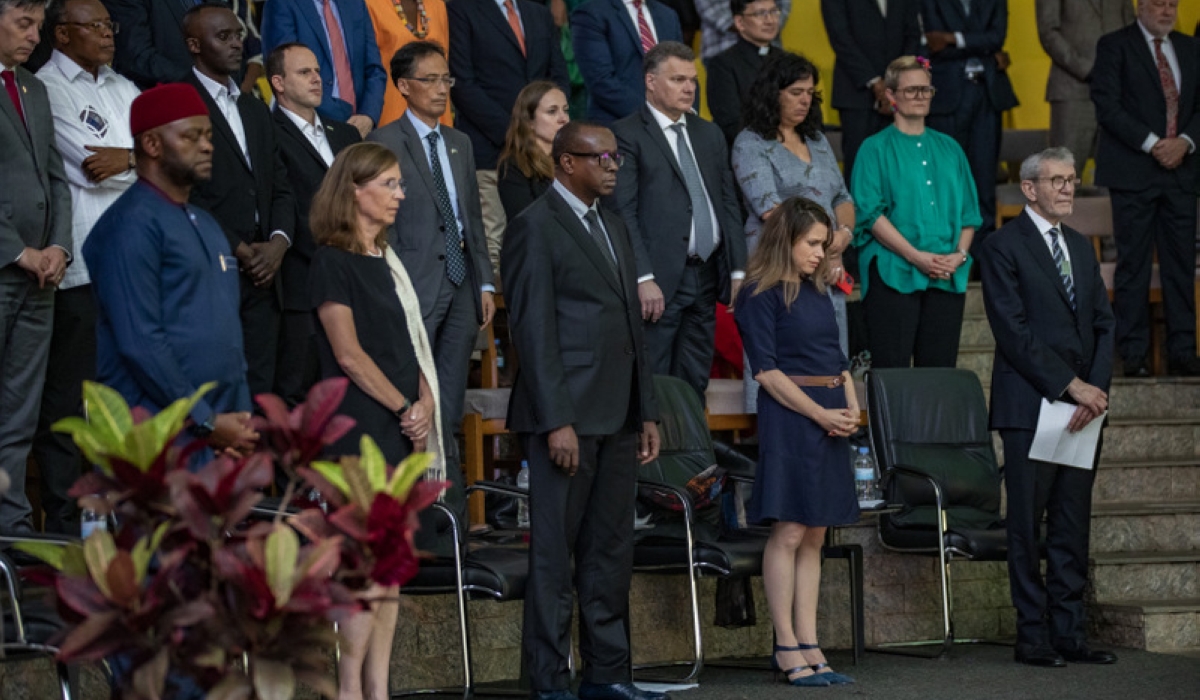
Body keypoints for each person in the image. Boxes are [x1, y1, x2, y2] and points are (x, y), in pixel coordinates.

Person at [502, 120, 663, 700]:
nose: (613, 166)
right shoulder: (533, 228)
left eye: (616, 157)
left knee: (610, 551)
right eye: (601, 158)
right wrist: (555, 420)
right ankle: (549, 682)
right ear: (566, 162)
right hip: (564, 420)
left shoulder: (615, 226)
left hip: (618, 414)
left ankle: (608, 675)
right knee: (554, 556)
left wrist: (646, 410)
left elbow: (630, 331)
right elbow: (534, 333)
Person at [308, 141, 442, 699]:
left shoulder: (386, 261)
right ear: (354, 191)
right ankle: (347, 691)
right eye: (388, 184)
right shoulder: (331, 262)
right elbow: (349, 354)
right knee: (361, 571)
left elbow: (407, 345)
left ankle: (378, 689)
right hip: (361, 425)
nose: (399, 194)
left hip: (399, 423)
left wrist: (427, 402)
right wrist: (404, 407)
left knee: (388, 570)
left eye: (399, 184)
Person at [978, 147, 1117, 668]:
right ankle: (1031, 636)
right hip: (1031, 404)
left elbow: (1104, 324)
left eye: (1072, 181)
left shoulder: (1081, 246)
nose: (1066, 189)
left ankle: (1069, 634)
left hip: (1084, 408)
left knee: (1070, 523)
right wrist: (1070, 386)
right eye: (1055, 181)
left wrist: (1094, 390)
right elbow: (1013, 333)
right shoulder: (1001, 246)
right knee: (1026, 526)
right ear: (1029, 188)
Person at [84, 82, 258, 462]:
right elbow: (140, 342)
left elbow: (227, 331)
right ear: (152, 145)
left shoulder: (206, 223)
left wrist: (237, 421)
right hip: (158, 434)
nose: (208, 146)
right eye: (192, 136)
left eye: (209, 135)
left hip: (217, 432)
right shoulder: (129, 225)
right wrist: (206, 421)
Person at [733, 196, 859, 687]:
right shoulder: (758, 292)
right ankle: (786, 644)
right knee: (788, 529)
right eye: (811, 243)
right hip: (791, 417)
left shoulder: (816, 290)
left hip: (829, 415)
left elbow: (838, 357)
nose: (819, 253)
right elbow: (765, 371)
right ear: (785, 238)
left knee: (816, 532)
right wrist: (821, 414)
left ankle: (810, 642)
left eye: (824, 245)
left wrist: (850, 409)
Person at [367, 40, 496, 512]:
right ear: (404, 86)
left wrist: (485, 282)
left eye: (447, 80)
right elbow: (383, 224)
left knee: (450, 397)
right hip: (413, 284)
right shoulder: (384, 142)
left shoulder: (459, 142)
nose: (442, 89)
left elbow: (472, 220)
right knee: (414, 398)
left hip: (463, 286)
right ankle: (415, 509)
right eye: (431, 80)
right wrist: (396, 280)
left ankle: (450, 512)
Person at [33, 0, 139, 534]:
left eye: (108, 24)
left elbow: (167, 161)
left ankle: (117, 513)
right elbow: (88, 163)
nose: (107, 34)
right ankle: (64, 518)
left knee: (123, 399)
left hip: (135, 270)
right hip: (81, 268)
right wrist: (141, 158)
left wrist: (134, 159)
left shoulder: (126, 88)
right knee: (71, 399)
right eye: (94, 26)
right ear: (62, 34)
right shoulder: (47, 88)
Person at [610, 41, 745, 403]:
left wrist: (737, 271)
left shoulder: (709, 133)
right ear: (651, 82)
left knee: (694, 381)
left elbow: (728, 204)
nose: (689, 88)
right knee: (654, 382)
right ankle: (655, 458)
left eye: (693, 80)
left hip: (707, 274)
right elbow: (623, 211)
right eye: (678, 79)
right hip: (659, 280)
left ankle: (692, 460)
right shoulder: (626, 134)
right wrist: (643, 276)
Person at [183, 2, 296, 400]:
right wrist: (238, 247)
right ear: (195, 45)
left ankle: (257, 466)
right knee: (214, 391)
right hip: (213, 266)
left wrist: (279, 243)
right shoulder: (180, 102)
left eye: (238, 35)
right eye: (224, 37)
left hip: (266, 271)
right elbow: (183, 191)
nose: (237, 45)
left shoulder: (253, 107)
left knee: (261, 390)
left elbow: (279, 184)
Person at [731, 52, 854, 408]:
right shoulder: (751, 142)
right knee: (779, 352)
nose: (805, 100)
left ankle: (833, 417)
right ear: (773, 92)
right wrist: (829, 244)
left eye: (810, 94)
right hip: (779, 266)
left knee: (829, 350)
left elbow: (842, 197)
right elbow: (772, 209)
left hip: (826, 261)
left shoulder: (816, 140)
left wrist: (842, 236)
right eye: (796, 91)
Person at [851, 55, 981, 369]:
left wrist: (960, 256)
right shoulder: (874, 148)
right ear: (891, 96)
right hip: (893, 270)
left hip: (947, 272)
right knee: (893, 374)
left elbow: (969, 214)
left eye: (926, 90)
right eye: (911, 90)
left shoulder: (950, 147)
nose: (920, 96)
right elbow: (869, 213)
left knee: (940, 374)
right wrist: (915, 256)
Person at [1092, 0, 1200, 377]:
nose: (1167, 11)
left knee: (1181, 265)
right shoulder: (1113, 45)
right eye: (1158, 4)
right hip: (1133, 172)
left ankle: (1183, 353)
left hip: (1182, 172)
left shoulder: (1191, 47)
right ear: (1139, 7)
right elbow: (1106, 105)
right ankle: (1134, 355)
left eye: (1173, 4)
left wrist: (1185, 140)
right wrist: (1154, 143)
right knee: (1134, 266)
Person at [0, 0, 72, 534]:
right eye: (23, 24)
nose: (34, 36)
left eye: (39, 26)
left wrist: (59, 248)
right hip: (6, 267)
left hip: (41, 276)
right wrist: (17, 250)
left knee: (20, 413)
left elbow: (57, 181)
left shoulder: (34, 88)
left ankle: (13, 529)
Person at [267, 42, 361, 406]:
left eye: (318, 71)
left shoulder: (346, 135)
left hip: (351, 282)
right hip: (301, 281)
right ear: (277, 81)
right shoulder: (267, 132)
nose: (317, 79)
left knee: (345, 396)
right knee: (299, 393)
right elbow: (283, 200)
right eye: (304, 72)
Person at [449, 0, 569, 279]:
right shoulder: (462, 10)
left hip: (544, 155)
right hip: (491, 150)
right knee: (496, 248)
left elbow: (558, 74)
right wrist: (516, 131)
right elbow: (463, 84)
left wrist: (550, 117)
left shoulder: (537, 11)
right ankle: (504, 321)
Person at [921, 0, 1018, 247]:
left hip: (986, 93)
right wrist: (979, 46)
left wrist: (953, 39)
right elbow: (931, 43)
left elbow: (996, 37)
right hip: (946, 96)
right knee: (946, 182)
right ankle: (947, 253)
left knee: (985, 182)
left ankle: (982, 258)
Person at [820, 0, 920, 181]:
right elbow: (840, 37)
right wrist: (875, 83)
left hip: (900, 93)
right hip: (856, 94)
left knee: (900, 169)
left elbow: (913, 34)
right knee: (860, 168)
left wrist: (896, 82)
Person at [260, 0, 386, 137]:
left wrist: (368, 115)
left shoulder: (355, 3)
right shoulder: (281, 3)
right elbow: (283, 71)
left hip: (361, 129)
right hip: (308, 130)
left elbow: (375, 70)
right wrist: (340, 117)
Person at [1035, 0, 1135, 166]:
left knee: (1118, 174)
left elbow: (1131, 27)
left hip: (1117, 91)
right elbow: (1048, 32)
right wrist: (1087, 69)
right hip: (1072, 90)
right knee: (1064, 174)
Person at [104, 0, 263, 92]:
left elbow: (228, 39)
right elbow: (135, 56)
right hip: (164, 109)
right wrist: (200, 82)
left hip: (222, 100)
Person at [570, 0, 683, 124]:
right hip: (619, 126)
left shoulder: (667, 14)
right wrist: (655, 115)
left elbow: (683, 70)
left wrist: (686, 112)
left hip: (672, 123)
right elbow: (601, 81)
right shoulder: (591, 13)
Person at [705, 0, 786, 146]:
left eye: (774, 12)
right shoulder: (723, 64)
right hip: (746, 152)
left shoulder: (788, 61)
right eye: (760, 14)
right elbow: (730, 122)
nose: (770, 20)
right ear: (739, 22)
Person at [363, 0, 450, 127]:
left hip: (437, 113)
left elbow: (444, 63)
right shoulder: (370, 4)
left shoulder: (436, 4)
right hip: (391, 110)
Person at [496, 80, 570, 219]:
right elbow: (526, 221)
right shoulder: (514, 166)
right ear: (529, 121)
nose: (563, 118)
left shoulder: (573, 159)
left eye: (565, 110)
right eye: (552, 111)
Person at [695, 0, 788, 65]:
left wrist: (764, 22)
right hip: (722, 48)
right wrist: (753, 25)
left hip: (769, 51)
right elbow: (712, 11)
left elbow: (783, 7)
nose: (769, 20)